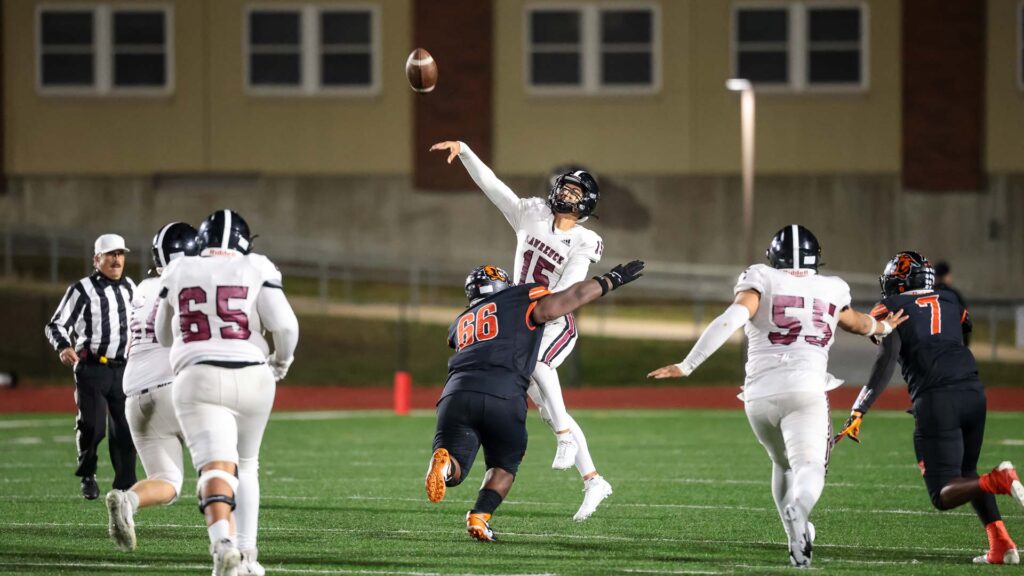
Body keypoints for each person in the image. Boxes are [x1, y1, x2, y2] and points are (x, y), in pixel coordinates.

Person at [647, 225, 906, 568]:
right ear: (815, 258)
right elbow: (858, 324)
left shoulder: (762, 277)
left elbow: (732, 318)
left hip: (758, 397)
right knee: (809, 466)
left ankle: (795, 535)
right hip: (806, 390)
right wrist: (885, 327)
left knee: (782, 464)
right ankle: (800, 509)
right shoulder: (832, 287)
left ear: (774, 257)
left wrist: (688, 364)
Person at [430, 140, 612, 522]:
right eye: (565, 187)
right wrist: (465, 151)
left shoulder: (584, 240)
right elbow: (493, 187)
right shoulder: (531, 214)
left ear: (586, 204)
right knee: (544, 406)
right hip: (519, 321)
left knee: (540, 368)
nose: (566, 194)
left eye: (575, 192)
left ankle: (564, 437)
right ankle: (593, 479)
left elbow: (570, 290)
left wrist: (542, 308)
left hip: (553, 320)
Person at [426, 260, 644, 542]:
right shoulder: (519, 297)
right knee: (504, 465)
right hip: (503, 393)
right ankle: (479, 516)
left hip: (454, 395)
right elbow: (566, 300)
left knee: (456, 469)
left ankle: (444, 468)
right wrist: (611, 280)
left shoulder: (459, 323)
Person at [835, 251, 1024, 565]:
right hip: (973, 391)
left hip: (937, 398)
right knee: (967, 474)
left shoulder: (892, 306)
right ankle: (1001, 545)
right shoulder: (950, 299)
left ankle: (1000, 480)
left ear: (900, 282)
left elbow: (886, 361)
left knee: (942, 493)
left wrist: (859, 409)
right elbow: (961, 330)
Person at [156, 209, 299, 576]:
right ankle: (248, 556)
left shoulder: (179, 268)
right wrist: (281, 362)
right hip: (253, 375)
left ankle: (223, 545)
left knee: (215, 466)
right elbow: (285, 326)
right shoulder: (257, 265)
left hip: (198, 375)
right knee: (247, 465)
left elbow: (162, 334)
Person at [105, 223, 197, 553]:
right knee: (224, 461)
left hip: (135, 395)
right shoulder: (188, 283)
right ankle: (232, 542)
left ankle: (128, 500)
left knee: (168, 482)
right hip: (174, 387)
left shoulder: (142, 286)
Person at [45, 233, 138, 500]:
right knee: (93, 427)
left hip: (124, 369)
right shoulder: (82, 289)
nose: (117, 260)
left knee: (126, 430)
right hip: (93, 367)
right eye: (111, 255)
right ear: (97, 259)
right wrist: (63, 346)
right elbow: (56, 324)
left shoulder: (130, 286)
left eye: (120, 254)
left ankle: (125, 487)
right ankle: (88, 474)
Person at [933, 260, 970, 346]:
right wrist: (966, 343)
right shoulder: (954, 295)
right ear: (947, 276)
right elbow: (965, 320)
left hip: (932, 342)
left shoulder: (929, 293)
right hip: (953, 342)